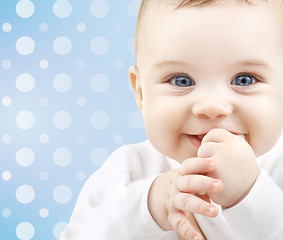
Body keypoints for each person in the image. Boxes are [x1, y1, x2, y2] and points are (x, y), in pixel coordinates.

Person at [60, 0, 283, 239]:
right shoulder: (131, 168)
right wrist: (150, 206)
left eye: (244, 80)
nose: (211, 107)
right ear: (142, 94)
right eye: (181, 81)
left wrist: (250, 193)